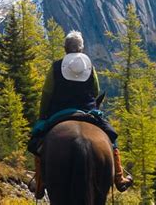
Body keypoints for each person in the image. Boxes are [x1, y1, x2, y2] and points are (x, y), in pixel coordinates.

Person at [30, 30, 133, 199]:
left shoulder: (56, 67)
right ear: (81, 48)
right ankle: (119, 177)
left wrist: (43, 117)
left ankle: (40, 183)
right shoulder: (89, 66)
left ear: (65, 48)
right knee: (111, 137)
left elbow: (47, 93)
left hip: (58, 112)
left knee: (38, 140)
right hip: (87, 111)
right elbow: (96, 90)